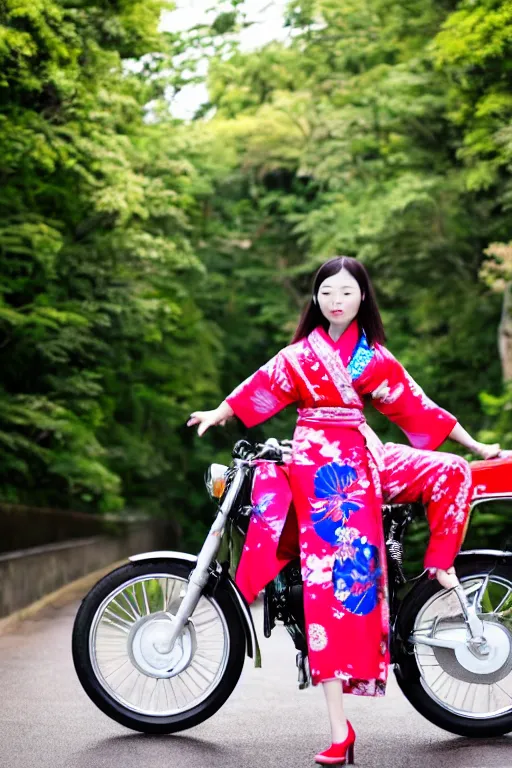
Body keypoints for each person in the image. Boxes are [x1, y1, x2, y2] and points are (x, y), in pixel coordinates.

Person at [187, 256, 503, 766]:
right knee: (326, 597)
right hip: (319, 473)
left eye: (347, 293)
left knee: (451, 470)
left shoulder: (373, 358)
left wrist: (478, 446)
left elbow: (417, 408)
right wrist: (219, 412)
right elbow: (258, 386)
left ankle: (441, 563)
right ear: (316, 298)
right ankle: (339, 730)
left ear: (362, 299)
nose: (336, 300)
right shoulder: (299, 356)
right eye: (327, 292)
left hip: (361, 461)